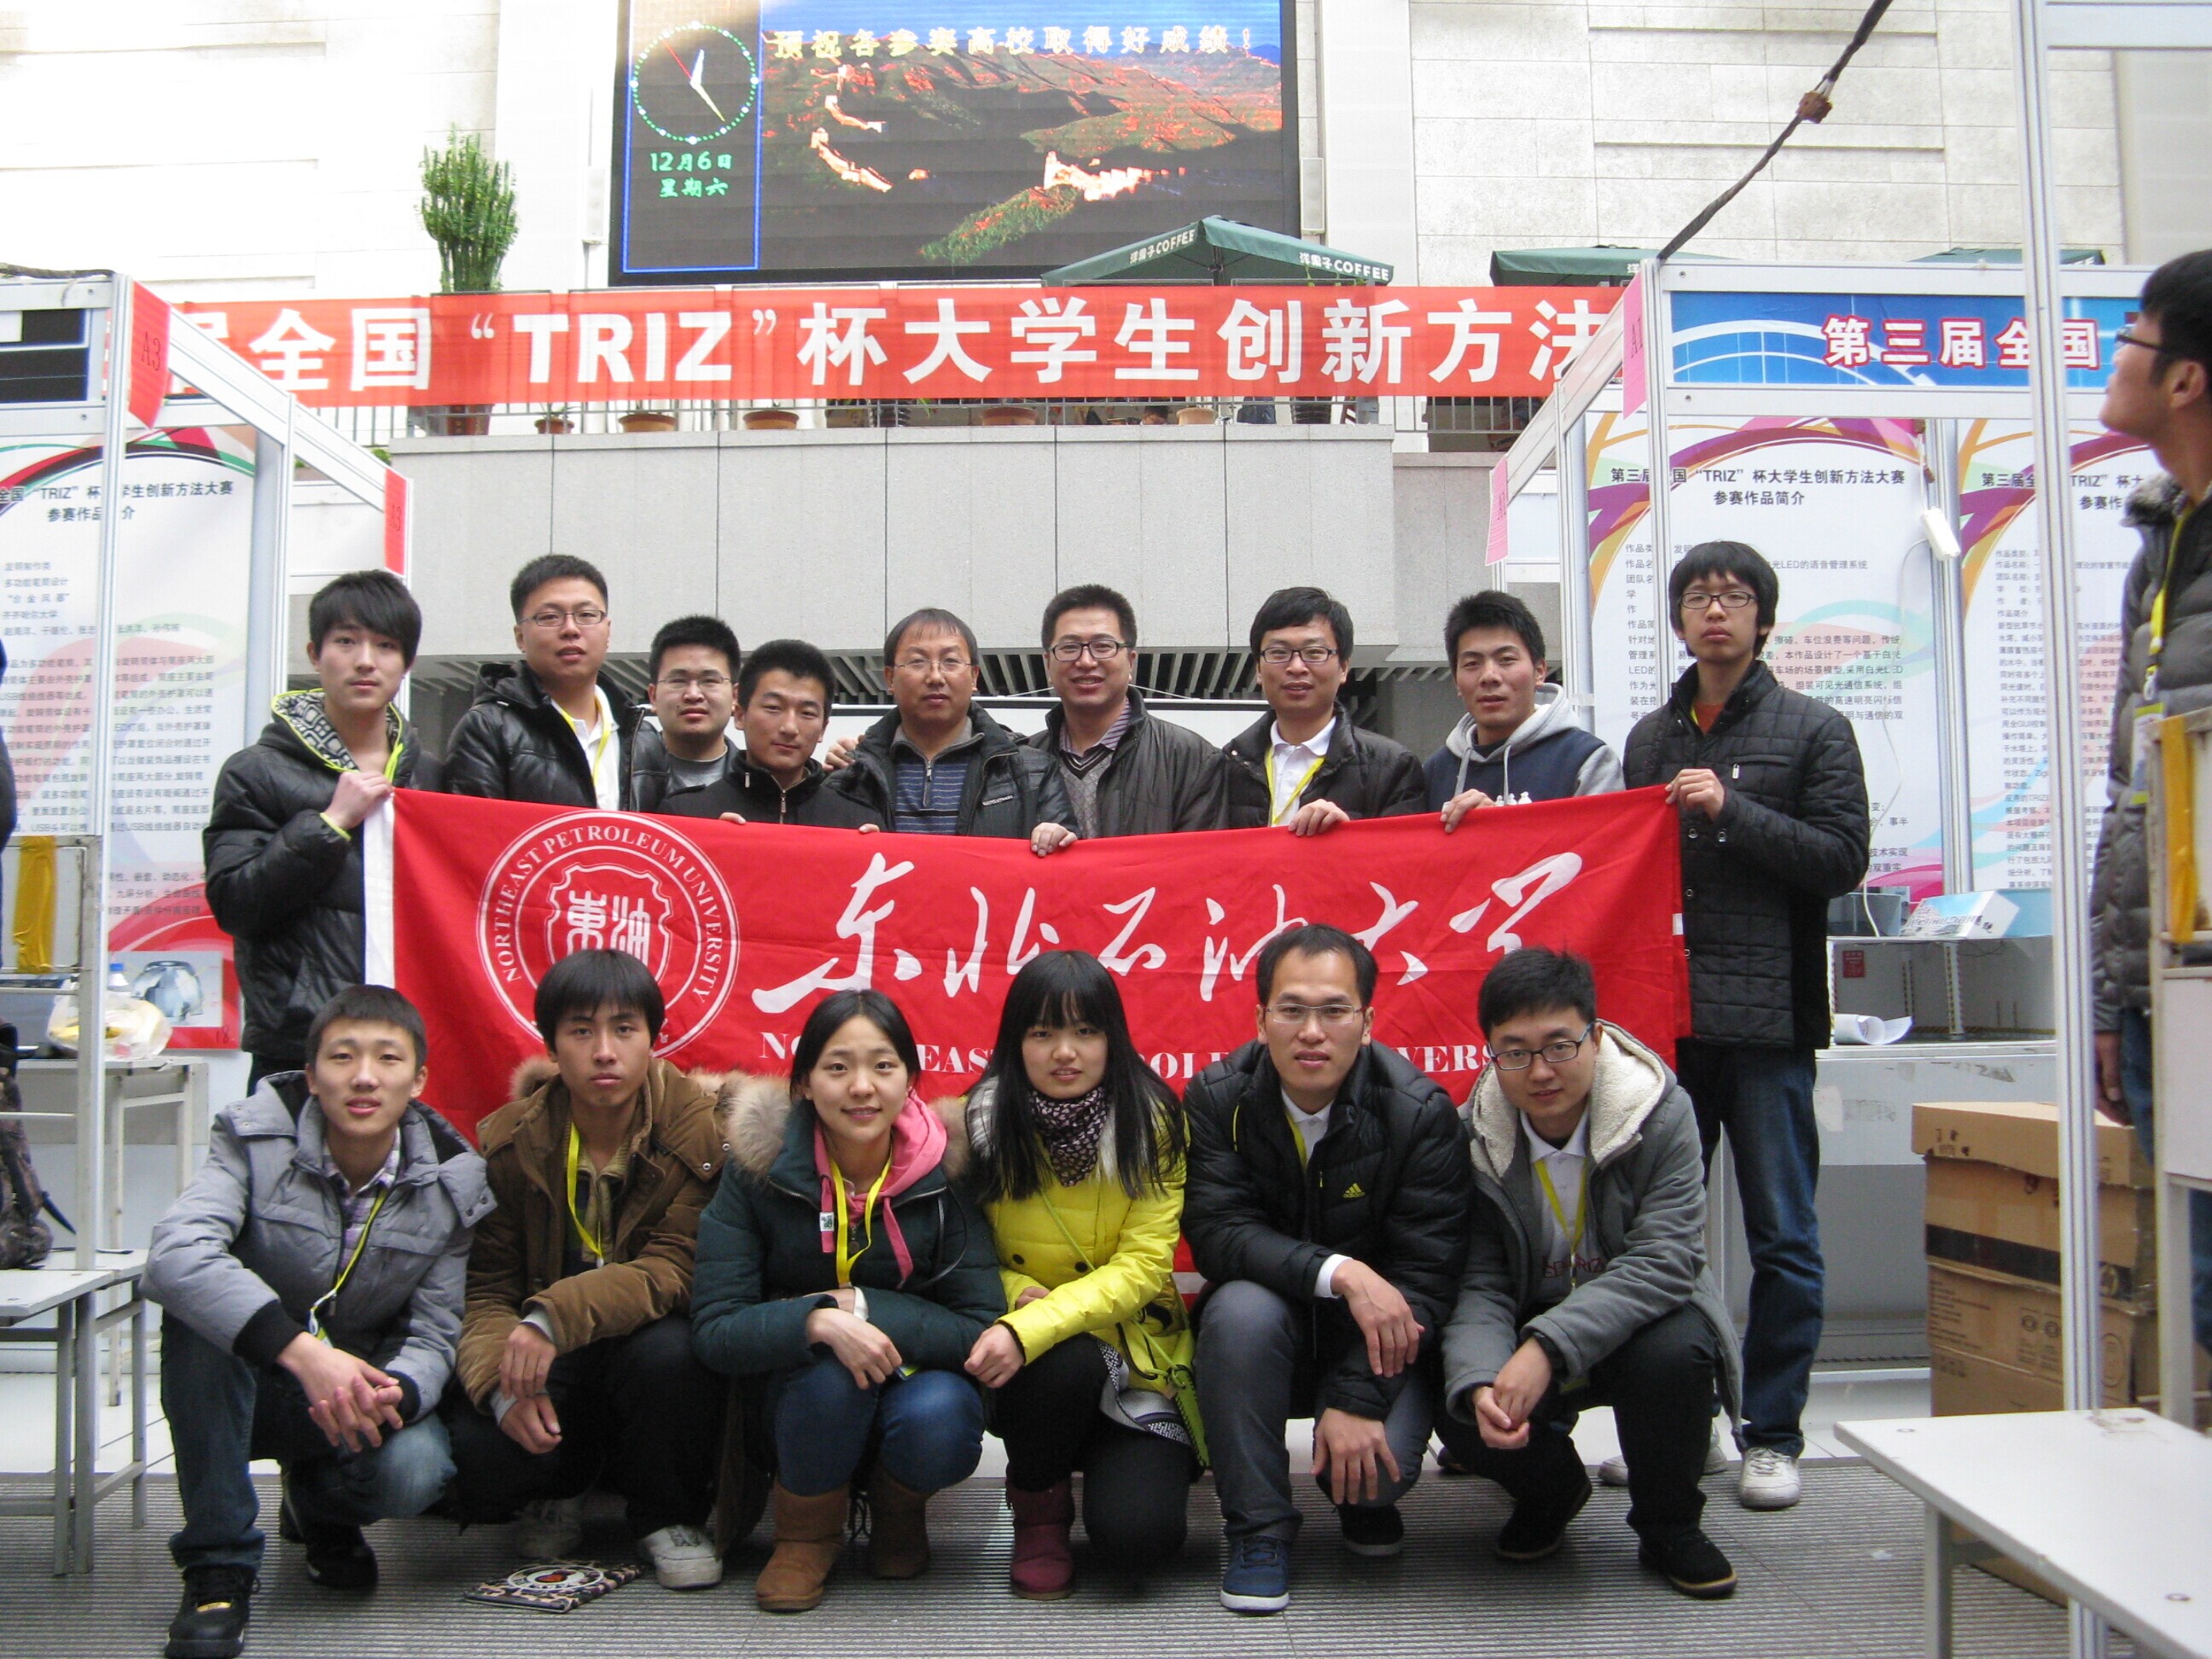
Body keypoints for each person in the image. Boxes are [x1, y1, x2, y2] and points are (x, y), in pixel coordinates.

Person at [1622, 540, 1869, 1512]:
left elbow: (1841, 859)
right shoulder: (1650, 738)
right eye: (1698, 597)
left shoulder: (1816, 729)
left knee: (1784, 1237)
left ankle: (1772, 1434)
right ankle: (1681, 1428)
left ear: (1765, 618)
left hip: (1768, 1029)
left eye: (1733, 597)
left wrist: (1732, 808)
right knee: (1660, 1239)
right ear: (1679, 620)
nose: (1715, 612)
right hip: (1670, 1032)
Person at [145, 987, 486, 1659]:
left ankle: (321, 1509)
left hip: (351, 1397)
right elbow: (175, 1254)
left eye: (387, 1058)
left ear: (418, 1080)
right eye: (343, 1056)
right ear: (312, 1074)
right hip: (250, 1381)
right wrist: (299, 1351)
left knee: (416, 1470)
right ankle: (218, 1566)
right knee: (197, 1321)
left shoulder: (454, 1182)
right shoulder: (251, 1136)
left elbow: (435, 1331)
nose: (364, 1077)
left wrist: (395, 1391)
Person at [1183, 924, 1471, 1614]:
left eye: (1335, 1011)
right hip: (1266, 1330)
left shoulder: (1419, 1113)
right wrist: (1339, 1270)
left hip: (1376, 1340)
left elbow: (1427, 1278)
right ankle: (1258, 1530)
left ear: (1367, 1023)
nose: (1312, 1032)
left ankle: (1360, 1501)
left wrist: (1356, 1397)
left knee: (1375, 1479)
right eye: (1292, 1010)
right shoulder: (1217, 1098)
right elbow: (1219, 1237)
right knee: (1238, 1311)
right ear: (1261, 1021)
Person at [1437, 948, 1741, 1599]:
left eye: (1560, 1045)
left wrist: (1547, 1347)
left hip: (1636, 1319)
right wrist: (1482, 1379)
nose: (1540, 1071)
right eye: (1515, 1052)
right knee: (1454, 1384)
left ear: (1596, 1037)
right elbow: (1480, 1281)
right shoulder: (1472, 1137)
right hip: (1529, 1312)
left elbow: (1666, 1262)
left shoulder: (1661, 1114)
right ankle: (1550, 1493)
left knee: (1678, 1350)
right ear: (1490, 1054)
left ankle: (1669, 1526)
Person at [690, 991, 1003, 1613]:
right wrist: (818, 1322)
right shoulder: (757, 1171)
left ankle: (897, 1513)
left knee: (942, 1416)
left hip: (916, 1379)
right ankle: (805, 1536)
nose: (862, 1087)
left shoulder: (949, 1174)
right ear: (805, 1083)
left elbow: (980, 1325)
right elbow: (716, 1329)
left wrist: (860, 1307)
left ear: (910, 1080)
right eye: (838, 1068)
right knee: (831, 1378)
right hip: (797, 1392)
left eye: (883, 1066)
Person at [445, 950, 727, 1589]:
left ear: (653, 1039)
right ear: (551, 1046)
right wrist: (499, 1387)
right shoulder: (512, 1142)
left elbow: (673, 1269)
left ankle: (669, 1515)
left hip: (646, 1339)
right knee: (480, 1456)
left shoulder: (701, 1135)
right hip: (547, 1349)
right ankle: (561, 1487)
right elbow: (487, 1287)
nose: (604, 1052)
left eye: (624, 1029)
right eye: (581, 1031)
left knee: (676, 1353)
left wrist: (552, 1317)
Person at [963, 952, 1200, 1599]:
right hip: (1034, 1371)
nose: (1064, 1052)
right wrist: (1017, 1299)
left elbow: (1145, 1265)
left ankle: (1116, 1468)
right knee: (1059, 1359)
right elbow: (960, 1252)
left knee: (1139, 1541)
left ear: (1112, 1037)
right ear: (1016, 1042)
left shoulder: (1154, 1122)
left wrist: (1038, 1319)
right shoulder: (976, 1124)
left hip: (1136, 1358)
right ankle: (1038, 1508)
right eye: (1042, 1033)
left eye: (1085, 1031)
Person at [2092, 247, 2212, 1354]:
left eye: (2128, 333)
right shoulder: (2161, 539)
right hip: (2164, 980)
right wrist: (2114, 994)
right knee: (2201, 1287)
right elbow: (2133, 790)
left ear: (2185, 377)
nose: (2110, 355)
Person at [206, 571, 434, 1090]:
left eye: (386, 646)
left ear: (407, 664)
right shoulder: (256, 771)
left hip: (407, 1039)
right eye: (346, 642)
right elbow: (235, 905)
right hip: (300, 1043)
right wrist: (330, 825)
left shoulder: (431, 778)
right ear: (314, 654)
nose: (365, 661)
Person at [824, 607, 1077, 853]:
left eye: (951, 661)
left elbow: (1068, 867)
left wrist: (1058, 840)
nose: (936, 677)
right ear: (890, 678)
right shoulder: (853, 775)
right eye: (917, 662)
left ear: (974, 677)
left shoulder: (1032, 771)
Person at [1025, 584, 1226, 836]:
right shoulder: (1020, 762)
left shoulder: (1192, 759)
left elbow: (1201, 856)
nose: (1086, 661)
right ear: (1048, 664)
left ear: (1131, 662)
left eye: (1103, 646)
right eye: (1069, 648)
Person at [1220, 587, 1426, 833]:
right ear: (1258, 670)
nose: (1296, 667)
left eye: (1314, 653)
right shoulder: (1225, 766)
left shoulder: (1392, 767)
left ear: (1343, 668)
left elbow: (1406, 854)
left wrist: (1346, 838)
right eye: (1279, 653)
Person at [445, 555, 637, 809]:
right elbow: (473, 829)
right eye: (549, 617)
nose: (571, 629)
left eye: (586, 614)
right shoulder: (489, 729)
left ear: (608, 630)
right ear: (520, 637)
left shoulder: (640, 735)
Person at [1426, 590, 1621, 829]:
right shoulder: (1436, 771)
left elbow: (1605, 848)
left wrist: (1498, 829)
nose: (1489, 676)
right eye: (1472, 663)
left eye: (1506, 660)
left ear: (1539, 671)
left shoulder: (1586, 760)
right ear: (1456, 681)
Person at [661, 638, 882, 828]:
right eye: (773, 708)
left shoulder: (856, 820)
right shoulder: (686, 815)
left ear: (822, 729)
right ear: (740, 715)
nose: (790, 728)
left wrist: (869, 852)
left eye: (807, 713)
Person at [632, 614, 740, 814]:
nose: (693, 694)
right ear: (653, 696)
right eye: (678, 681)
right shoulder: (622, 776)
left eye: (710, 681)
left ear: (735, 696)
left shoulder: (760, 784)